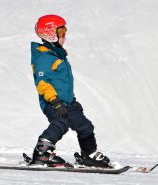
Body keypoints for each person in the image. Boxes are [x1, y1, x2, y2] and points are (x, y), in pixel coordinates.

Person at [30, 14, 111, 168]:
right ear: (50, 34)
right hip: (52, 103)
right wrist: (54, 101)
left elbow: (64, 83)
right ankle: (42, 153)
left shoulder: (58, 55)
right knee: (60, 123)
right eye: (61, 33)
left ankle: (89, 155)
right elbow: (42, 83)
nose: (64, 37)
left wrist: (72, 100)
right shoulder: (44, 57)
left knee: (85, 126)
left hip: (67, 103)